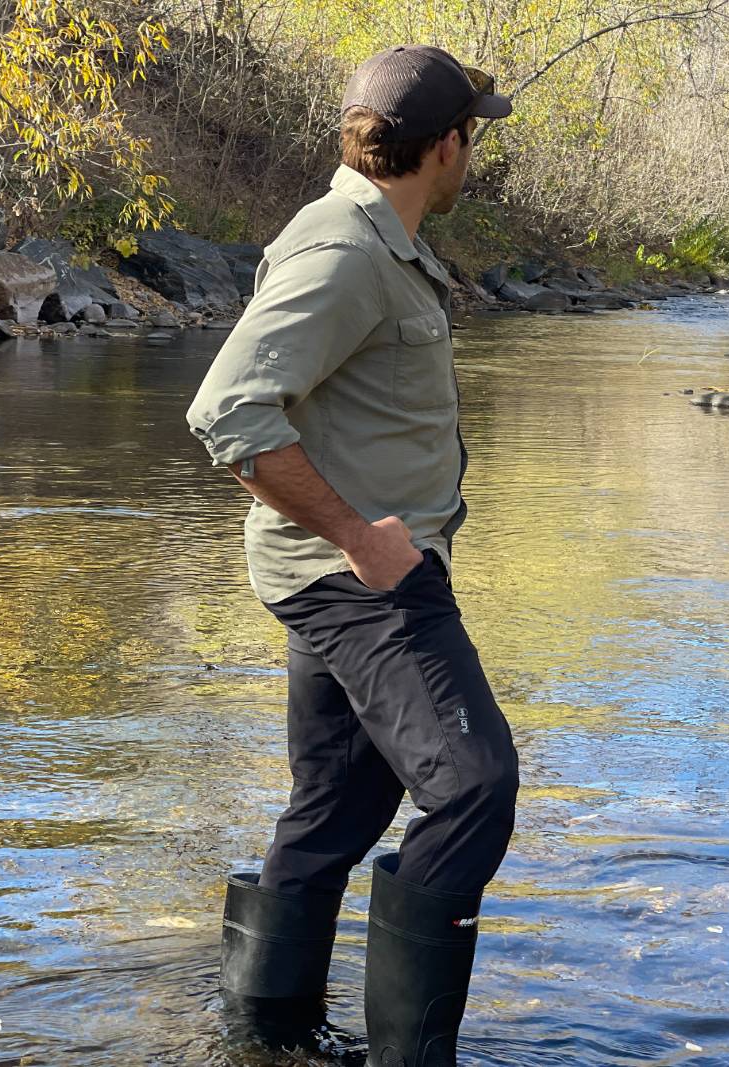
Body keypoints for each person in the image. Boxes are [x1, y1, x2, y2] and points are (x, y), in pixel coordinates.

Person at [185, 45, 518, 1066]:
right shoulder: (343, 247)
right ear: (446, 145)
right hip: (359, 579)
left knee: (341, 803)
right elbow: (227, 412)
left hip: (337, 571)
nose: (476, 156)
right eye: (476, 136)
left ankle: (262, 1033)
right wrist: (361, 539)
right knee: (471, 786)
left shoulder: (378, 238)